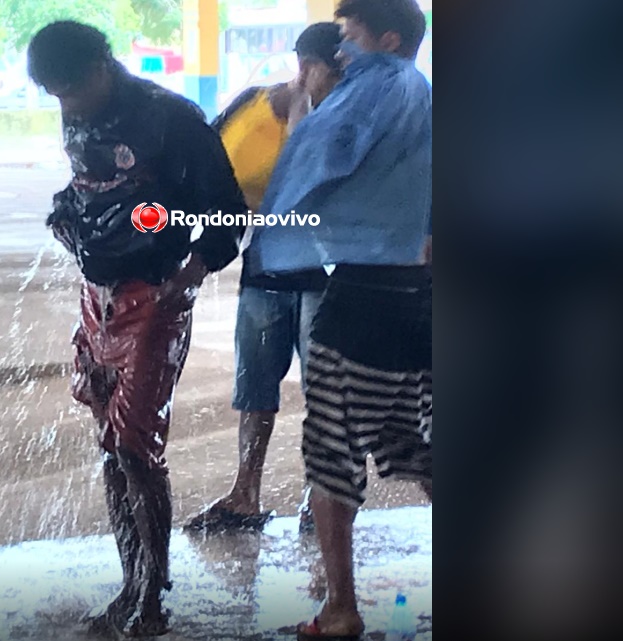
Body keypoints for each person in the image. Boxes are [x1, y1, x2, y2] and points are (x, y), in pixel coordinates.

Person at [27, 21, 247, 637]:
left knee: (134, 448)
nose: (65, 106)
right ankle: (130, 580)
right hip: (95, 298)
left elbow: (229, 212)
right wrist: (66, 215)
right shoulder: (76, 104)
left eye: (71, 89)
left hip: (155, 294)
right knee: (110, 449)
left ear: (103, 64)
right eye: (54, 95)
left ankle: (151, 598)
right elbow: (87, 185)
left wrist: (193, 273)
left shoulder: (171, 118)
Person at [244, 2, 433, 639]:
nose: (342, 52)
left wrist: (300, 106)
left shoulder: (381, 84)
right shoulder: (426, 96)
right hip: (422, 295)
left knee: (331, 451)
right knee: (417, 444)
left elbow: (325, 155)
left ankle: (341, 609)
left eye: (350, 38)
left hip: (364, 299)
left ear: (387, 39)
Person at [187, 22, 344, 533]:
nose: (343, 86)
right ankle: (244, 493)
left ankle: (319, 500)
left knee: (325, 393)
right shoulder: (250, 104)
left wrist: (307, 117)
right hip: (266, 264)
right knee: (254, 386)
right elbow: (205, 168)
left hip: (328, 272)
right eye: (334, 74)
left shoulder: (343, 121)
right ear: (306, 66)